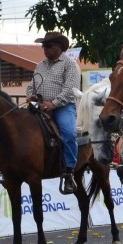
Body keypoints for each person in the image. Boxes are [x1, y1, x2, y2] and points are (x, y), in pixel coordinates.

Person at [25, 31, 81, 195]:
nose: (44, 49)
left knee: (68, 133)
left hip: (63, 106)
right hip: (39, 105)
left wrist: (53, 104)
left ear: (58, 47)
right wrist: (30, 95)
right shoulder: (40, 65)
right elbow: (31, 85)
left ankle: (69, 171)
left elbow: (70, 90)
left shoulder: (70, 64)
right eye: (43, 46)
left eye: (48, 46)